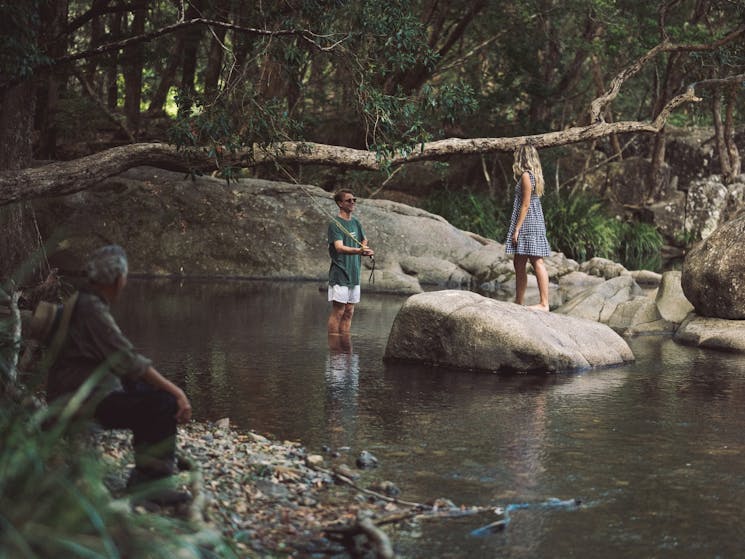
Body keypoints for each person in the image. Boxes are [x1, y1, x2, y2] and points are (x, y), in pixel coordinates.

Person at [45, 245, 193, 506]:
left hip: (76, 392)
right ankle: (150, 484)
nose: (125, 282)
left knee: (149, 392)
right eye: (124, 276)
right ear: (117, 279)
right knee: (164, 403)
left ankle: (147, 476)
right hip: (81, 400)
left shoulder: (83, 300)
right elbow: (129, 359)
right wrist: (177, 392)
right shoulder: (91, 309)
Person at [504, 145, 551, 311]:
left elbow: (525, 204)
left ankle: (544, 303)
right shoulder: (534, 176)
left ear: (522, 158)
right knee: (519, 262)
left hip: (528, 223)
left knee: (537, 261)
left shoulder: (526, 176)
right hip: (532, 221)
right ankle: (518, 301)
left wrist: (517, 229)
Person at [327, 189, 374, 336]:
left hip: (354, 273)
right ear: (340, 203)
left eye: (354, 199)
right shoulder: (335, 224)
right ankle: (334, 349)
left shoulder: (355, 222)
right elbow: (339, 248)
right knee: (339, 311)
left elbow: (363, 239)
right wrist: (359, 251)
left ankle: (345, 348)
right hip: (340, 272)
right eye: (349, 200)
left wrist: (363, 247)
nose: (353, 202)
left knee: (349, 311)